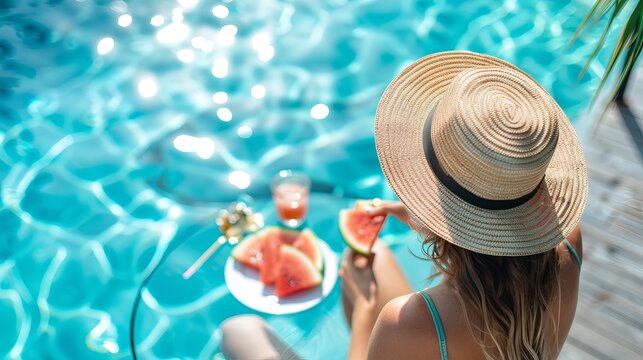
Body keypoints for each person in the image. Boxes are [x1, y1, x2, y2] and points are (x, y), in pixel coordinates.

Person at [222, 50, 587, 360]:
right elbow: (499, 235)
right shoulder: (568, 240)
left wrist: (367, 317)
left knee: (238, 330)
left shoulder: (410, 323)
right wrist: (413, 214)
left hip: (405, 338)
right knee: (373, 253)